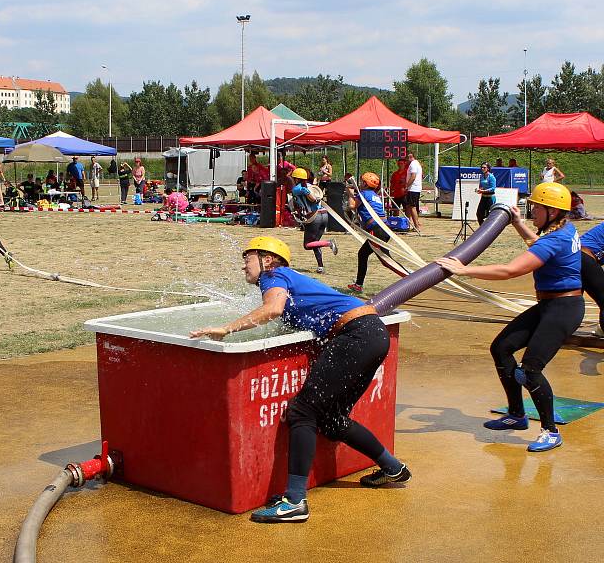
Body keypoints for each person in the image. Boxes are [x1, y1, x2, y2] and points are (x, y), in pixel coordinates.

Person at [190, 237, 411, 523]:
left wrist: (226, 329)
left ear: (266, 259)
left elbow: (272, 310)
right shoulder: (285, 279)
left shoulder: (273, 275)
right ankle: (393, 468)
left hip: (356, 335)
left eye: (248, 258)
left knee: (302, 411)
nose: (243, 264)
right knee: (332, 420)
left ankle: (294, 501)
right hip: (372, 333)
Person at [437, 183, 583, 452]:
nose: (532, 212)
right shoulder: (563, 229)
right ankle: (517, 415)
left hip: (564, 308)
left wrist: (464, 270)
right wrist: (517, 223)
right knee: (502, 348)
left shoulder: (556, 238)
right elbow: (539, 246)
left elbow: (509, 270)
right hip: (551, 305)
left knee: (530, 369)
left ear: (552, 210)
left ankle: (550, 431)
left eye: (536, 208)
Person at [347, 172, 389, 293]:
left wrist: (350, 193)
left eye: (362, 182)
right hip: (384, 229)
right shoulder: (373, 195)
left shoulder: (364, 194)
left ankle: (410, 279)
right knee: (376, 257)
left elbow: (351, 205)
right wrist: (351, 192)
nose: (360, 184)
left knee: (385, 260)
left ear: (365, 183)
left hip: (376, 230)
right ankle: (358, 284)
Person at [290, 167, 337, 273]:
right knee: (315, 242)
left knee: (307, 245)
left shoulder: (297, 188)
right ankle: (321, 267)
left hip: (314, 217)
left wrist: (312, 198)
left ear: (296, 179)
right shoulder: (312, 186)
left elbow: (305, 192)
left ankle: (329, 243)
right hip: (324, 214)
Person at [404, 151, 423, 232]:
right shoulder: (417, 164)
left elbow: (413, 176)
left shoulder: (413, 164)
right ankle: (407, 224)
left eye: (408, 157)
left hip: (413, 188)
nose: (407, 159)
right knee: (408, 206)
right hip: (414, 188)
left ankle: (416, 226)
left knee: (412, 207)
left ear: (412, 157)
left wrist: (407, 185)